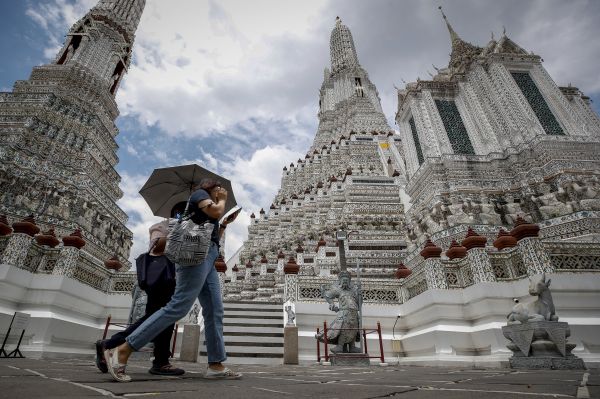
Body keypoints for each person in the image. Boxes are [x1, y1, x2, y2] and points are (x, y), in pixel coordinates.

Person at [104, 178, 241, 382]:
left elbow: (212, 235)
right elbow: (215, 211)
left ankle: (215, 363)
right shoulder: (199, 196)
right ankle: (122, 350)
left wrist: (223, 226)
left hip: (209, 257)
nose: (221, 192)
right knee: (179, 306)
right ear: (209, 188)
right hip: (194, 257)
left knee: (214, 309)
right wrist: (221, 200)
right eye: (218, 189)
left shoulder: (207, 207)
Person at [95, 221, 184, 376]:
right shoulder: (165, 225)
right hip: (161, 280)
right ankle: (110, 343)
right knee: (155, 319)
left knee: (163, 321)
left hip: (168, 280)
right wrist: (175, 237)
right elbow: (157, 245)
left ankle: (161, 361)